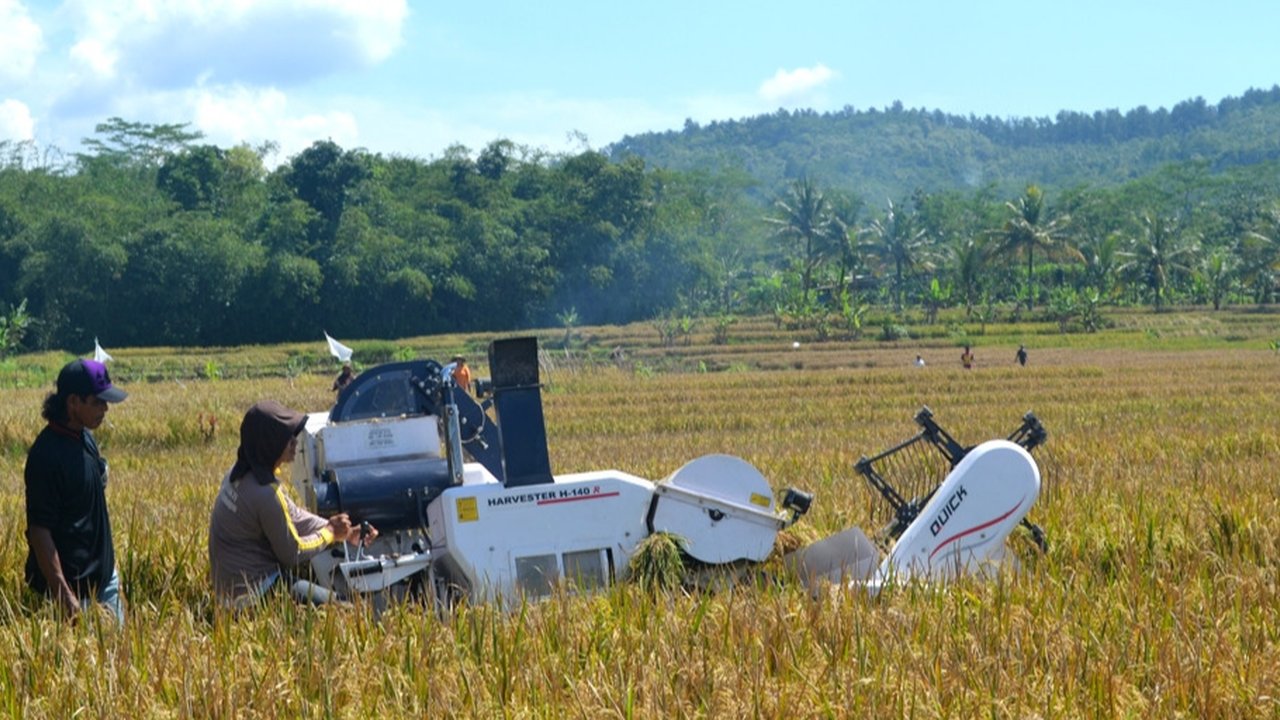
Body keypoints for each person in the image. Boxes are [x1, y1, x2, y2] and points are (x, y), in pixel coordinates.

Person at [209, 400, 378, 608]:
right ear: (269, 444)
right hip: (254, 593)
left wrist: (346, 532)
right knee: (345, 610)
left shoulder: (239, 474)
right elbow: (293, 552)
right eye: (286, 438)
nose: (294, 441)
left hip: (228, 590)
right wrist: (330, 533)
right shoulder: (266, 494)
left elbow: (293, 515)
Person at [24, 359, 128, 624]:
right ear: (73, 402)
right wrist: (64, 596)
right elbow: (39, 532)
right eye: (97, 402)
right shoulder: (46, 457)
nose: (105, 408)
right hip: (74, 594)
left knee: (120, 651)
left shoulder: (84, 437)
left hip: (105, 583)